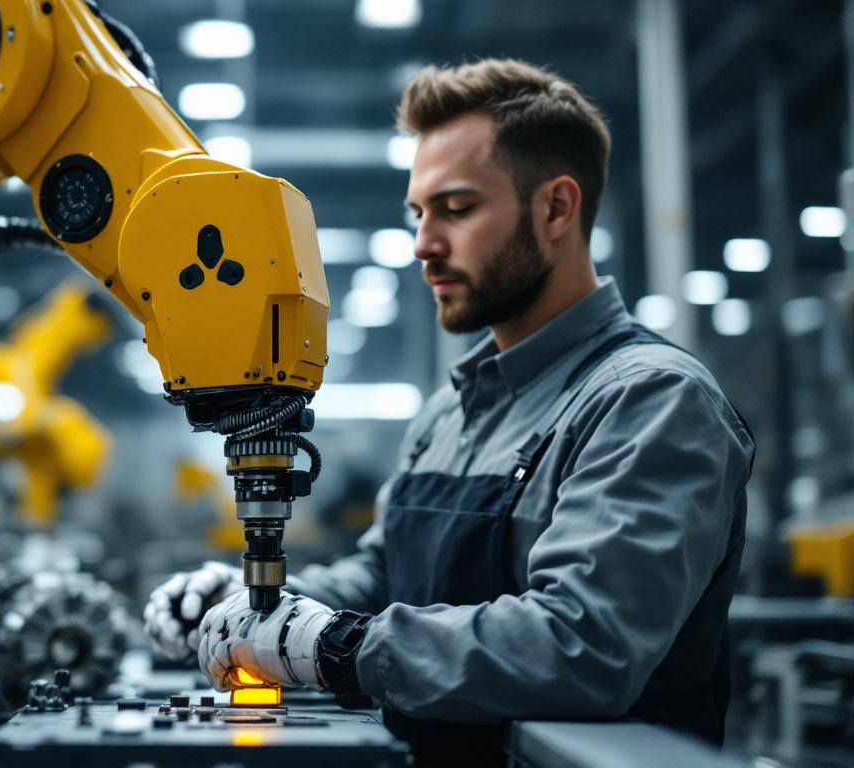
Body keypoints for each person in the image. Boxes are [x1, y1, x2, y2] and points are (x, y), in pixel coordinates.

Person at [142, 58, 755, 766]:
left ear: (556, 209)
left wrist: (334, 645)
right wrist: (263, 603)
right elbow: (383, 576)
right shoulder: (450, 410)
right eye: (419, 213)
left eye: (456, 209)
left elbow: (583, 645)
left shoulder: (650, 400)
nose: (423, 245)